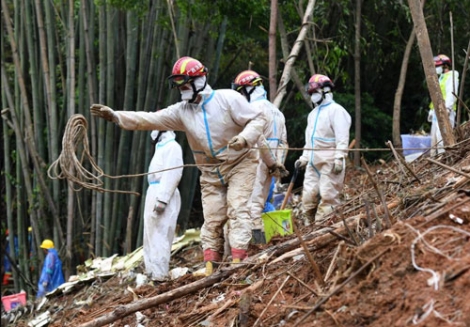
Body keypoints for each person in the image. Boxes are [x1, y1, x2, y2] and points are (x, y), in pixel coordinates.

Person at [90, 56, 287, 275]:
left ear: (200, 79)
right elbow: (150, 119)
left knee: (241, 210)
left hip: (242, 164)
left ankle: (241, 263)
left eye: (186, 83)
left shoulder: (229, 99)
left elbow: (257, 123)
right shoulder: (182, 111)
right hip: (211, 171)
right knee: (212, 219)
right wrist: (117, 116)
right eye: (179, 85)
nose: (182, 89)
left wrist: (249, 143)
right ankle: (212, 267)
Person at [232, 70, 288, 243]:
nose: (241, 96)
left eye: (242, 91)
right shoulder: (276, 111)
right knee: (262, 202)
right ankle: (268, 241)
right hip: (274, 159)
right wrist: (278, 164)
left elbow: (255, 137)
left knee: (252, 206)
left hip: (258, 157)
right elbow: (285, 142)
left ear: (249, 89)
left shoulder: (253, 109)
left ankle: (257, 244)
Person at [295, 74, 351, 225]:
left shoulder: (337, 111)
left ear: (326, 90)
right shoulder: (313, 114)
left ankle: (323, 227)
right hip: (313, 161)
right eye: (311, 93)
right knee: (308, 197)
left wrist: (339, 157)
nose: (313, 96)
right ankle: (308, 227)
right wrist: (304, 159)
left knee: (328, 196)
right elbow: (310, 141)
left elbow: (342, 138)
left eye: (315, 92)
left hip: (330, 160)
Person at [143, 129, 183, 281]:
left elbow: (172, 174)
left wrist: (163, 199)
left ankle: (160, 274)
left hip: (162, 191)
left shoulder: (173, 147)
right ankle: (151, 271)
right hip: (153, 190)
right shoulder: (161, 147)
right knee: (150, 233)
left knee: (160, 232)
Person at [427, 54, 459, 156]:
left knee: (443, 137)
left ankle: (444, 158)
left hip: (446, 111)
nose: (436, 69)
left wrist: (448, 108)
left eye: (437, 66)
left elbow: (451, 93)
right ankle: (436, 159)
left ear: (445, 66)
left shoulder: (452, 76)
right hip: (437, 112)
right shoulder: (441, 77)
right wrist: (432, 111)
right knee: (434, 139)